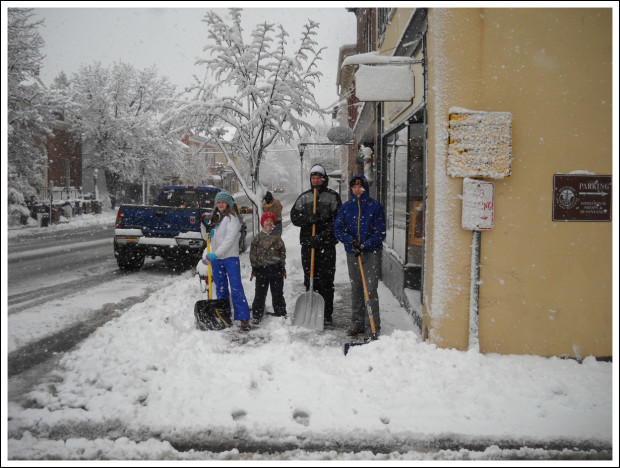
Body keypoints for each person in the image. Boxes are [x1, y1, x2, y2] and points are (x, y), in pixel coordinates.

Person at [334, 174, 386, 337]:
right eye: (354, 187)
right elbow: (338, 229)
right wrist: (351, 241)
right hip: (353, 254)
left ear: (365, 188)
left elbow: (380, 231)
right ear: (351, 189)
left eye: (360, 186)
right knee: (356, 289)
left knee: (370, 290)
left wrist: (365, 244)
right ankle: (356, 324)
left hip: (371, 253)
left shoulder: (374, 207)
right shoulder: (346, 208)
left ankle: (372, 326)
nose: (357, 190)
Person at [290, 164, 342, 325]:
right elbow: (294, 217)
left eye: (319, 177)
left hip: (326, 246)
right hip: (308, 245)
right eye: (313, 178)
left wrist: (321, 237)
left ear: (324, 178)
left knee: (326, 281)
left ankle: (326, 314)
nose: (316, 180)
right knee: (310, 279)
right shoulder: (304, 197)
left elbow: (337, 222)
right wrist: (307, 220)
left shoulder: (333, 197)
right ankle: (311, 310)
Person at [201, 191, 251, 332]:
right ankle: (224, 315)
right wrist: (204, 225)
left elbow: (229, 240)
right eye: (218, 202)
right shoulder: (215, 218)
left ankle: (243, 318)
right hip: (217, 260)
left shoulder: (232, 218)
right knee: (221, 289)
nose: (221, 204)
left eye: (223, 201)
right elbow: (206, 238)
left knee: (236, 288)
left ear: (228, 203)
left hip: (230, 258)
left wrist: (215, 254)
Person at [249, 212, 287, 324]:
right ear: (262, 223)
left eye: (271, 221)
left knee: (277, 293)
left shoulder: (277, 238)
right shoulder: (257, 238)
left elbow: (282, 252)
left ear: (273, 224)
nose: (269, 223)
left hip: (276, 269)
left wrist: (282, 266)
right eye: (266, 220)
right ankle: (257, 314)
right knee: (260, 293)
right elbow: (253, 253)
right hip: (262, 270)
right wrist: (255, 267)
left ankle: (280, 312)